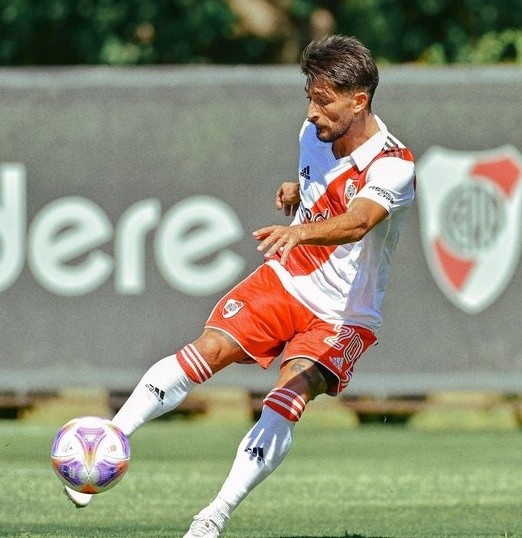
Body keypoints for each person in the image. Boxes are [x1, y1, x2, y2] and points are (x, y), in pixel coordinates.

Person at [64, 34, 416, 537]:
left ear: (359, 101)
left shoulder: (394, 164)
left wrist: (299, 231)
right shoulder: (313, 134)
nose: (312, 112)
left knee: (286, 398)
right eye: (309, 98)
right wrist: (299, 192)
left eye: (323, 101)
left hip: (343, 314)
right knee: (204, 351)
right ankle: (104, 448)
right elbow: (324, 185)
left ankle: (212, 517)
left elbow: (359, 221)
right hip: (287, 278)